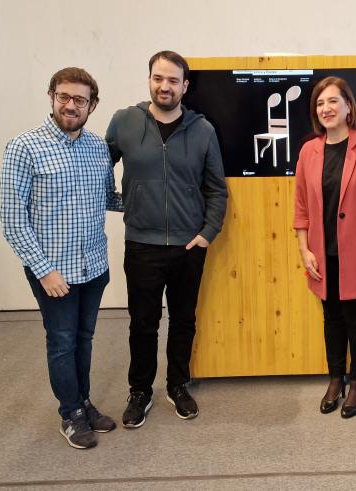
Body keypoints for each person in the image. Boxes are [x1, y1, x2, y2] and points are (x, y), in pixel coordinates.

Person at [1, 67, 122, 449]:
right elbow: (12, 218)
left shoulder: (97, 147)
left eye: (80, 100)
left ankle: (83, 401)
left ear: (93, 105)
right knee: (62, 341)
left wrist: (153, 202)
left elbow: (108, 198)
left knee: (84, 339)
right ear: (52, 96)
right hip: (54, 272)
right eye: (64, 97)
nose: (71, 105)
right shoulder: (24, 147)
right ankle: (70, 413)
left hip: (94, 266)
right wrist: (44, 270)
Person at [106, 51, 228, 427]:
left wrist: (207, 234)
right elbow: (94, 169)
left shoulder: (203, 130)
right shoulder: (125, 122)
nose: (165, 86)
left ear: (184, 86)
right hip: (141, 244)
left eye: (173, 80)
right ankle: (140, 391)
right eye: (159, 78)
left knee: (183, 320)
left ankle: (178, 384)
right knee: (143, 322)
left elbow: (217, 190)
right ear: (149, 80)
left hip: (187, 246)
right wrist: (122, 203)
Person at [293, 76, 356, 419]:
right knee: (331, 318)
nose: (326, 109)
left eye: (333, 101)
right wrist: (303, 249)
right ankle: (335, 378)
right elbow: (301, 207)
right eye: (320, 104)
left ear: (349, 106)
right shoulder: (309, 151)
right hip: (322, 252)